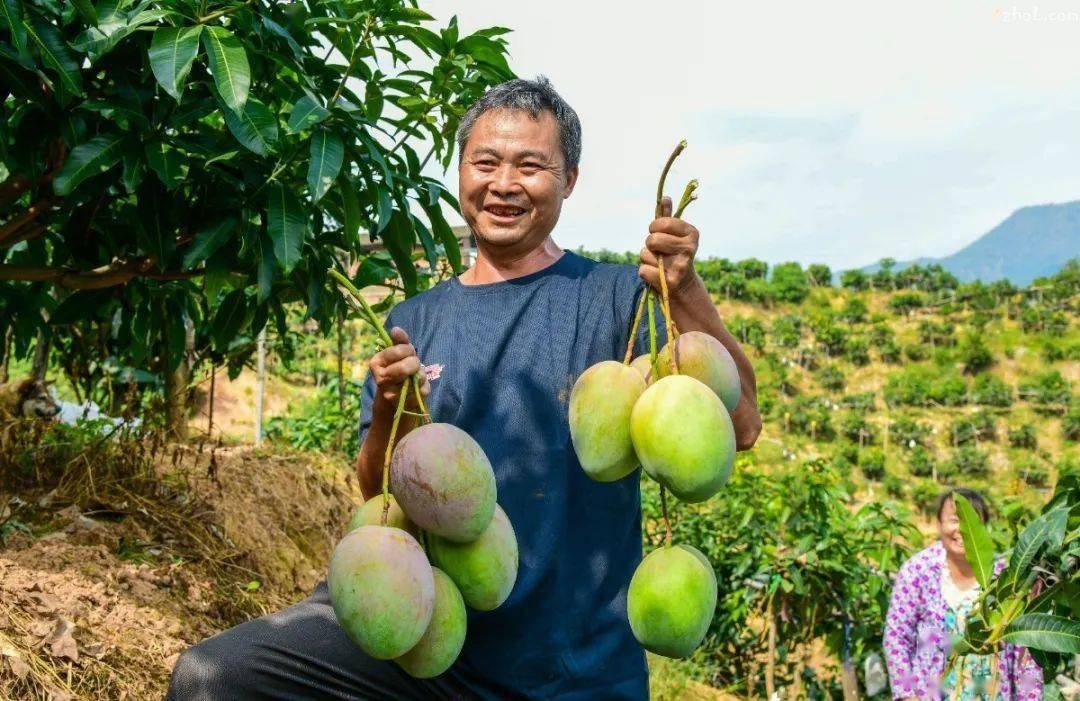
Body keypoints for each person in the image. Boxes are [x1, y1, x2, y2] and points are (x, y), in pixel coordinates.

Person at [167, 77, 761, 700]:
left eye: (530, 166)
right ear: (460, 173)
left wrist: (685, 290)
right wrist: (395, 413)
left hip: (571, 676)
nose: (504, 184)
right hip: (427, 648)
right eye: (486, 162)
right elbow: (379, 494)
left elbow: (742, 425)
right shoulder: (416, 320)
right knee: (213, 679)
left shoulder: (617, 301)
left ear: (570, 180)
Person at [883, 489, 1042, 700]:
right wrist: (907, 695)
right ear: (938, 524)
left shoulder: (1006, 578)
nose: (963, 530)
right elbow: (896, 638)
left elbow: (1028, 651)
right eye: (954, 520)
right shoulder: (917, 572)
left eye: (973, 523)